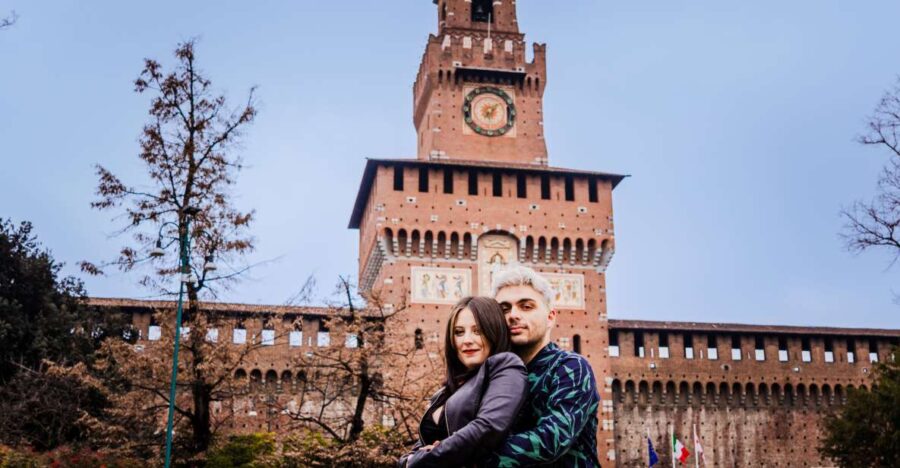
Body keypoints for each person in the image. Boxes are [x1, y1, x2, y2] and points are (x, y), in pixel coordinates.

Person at [486, 265, 601, 467]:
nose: (513, 315)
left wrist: (469, 456)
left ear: (550, 317)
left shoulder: (571, 367)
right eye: (504, 309)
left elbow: (550, 440)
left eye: (526, 306)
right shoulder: (492, 374)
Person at [400, 296, 528, 468]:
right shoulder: (444, 392)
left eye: (478, 331)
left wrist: (423, 459)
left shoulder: (506, 366)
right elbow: (416, 451)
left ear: (494, 331)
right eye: (459, 332)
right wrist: (407, 461)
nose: (467, 340)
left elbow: (488, 427)